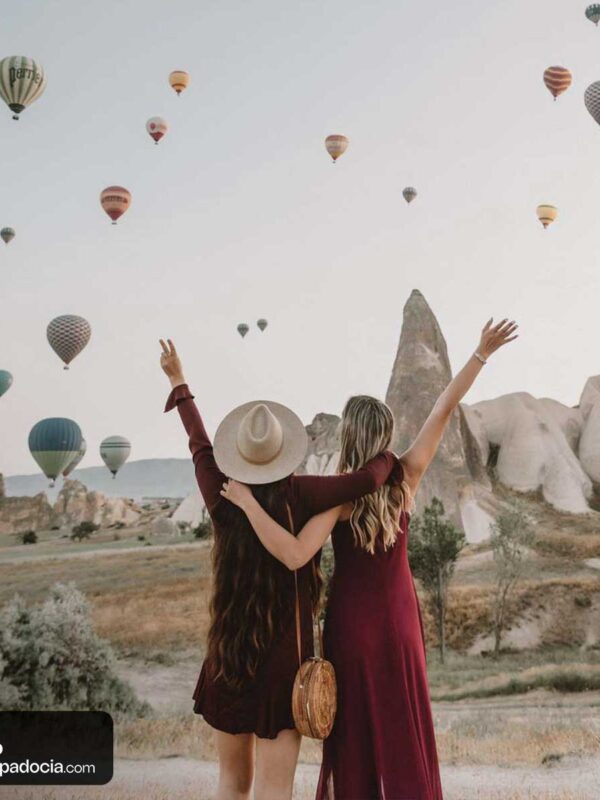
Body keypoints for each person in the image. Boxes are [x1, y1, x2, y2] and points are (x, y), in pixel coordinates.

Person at [221, 317, 518, 800]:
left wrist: (248, 503)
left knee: (355, 735)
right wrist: (481, 353)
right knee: (404, 727)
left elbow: (295, 555)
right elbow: (444, 407)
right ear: (384, 434)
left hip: (352, 625)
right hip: (400, 620)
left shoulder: (339, 498)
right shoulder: (406, 478)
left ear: (349, 437)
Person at [159, 338, 401, 800]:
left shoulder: (221, 491)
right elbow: (371, 478)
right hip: (281, 662)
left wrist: (178, 381)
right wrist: (394, 457)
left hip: (229, 653)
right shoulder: (304, 494)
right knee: (275, 789)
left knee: (232, 784)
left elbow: (198, 444)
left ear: (240, 454)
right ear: (285, 451)